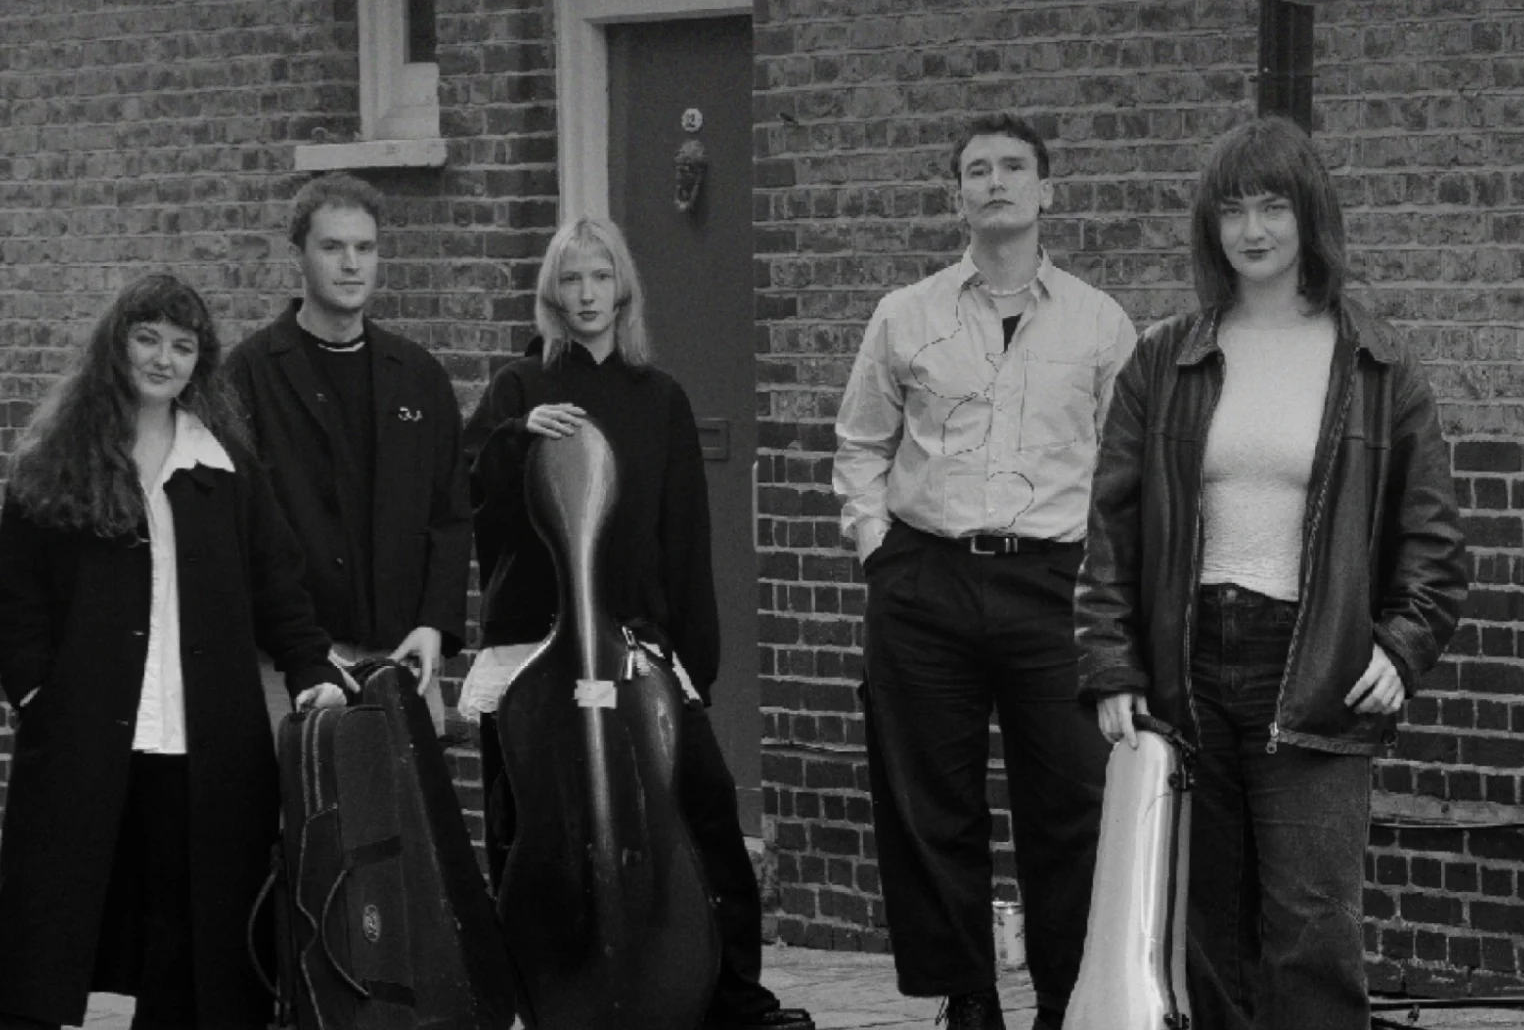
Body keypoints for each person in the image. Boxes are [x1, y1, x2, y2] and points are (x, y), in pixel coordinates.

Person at [1075, 117, 1468, 1030]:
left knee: (1312, 931)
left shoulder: (1376, 362)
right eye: (1233, 209)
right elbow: (1112, 524)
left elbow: (1435, 538)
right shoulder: (1163, 358)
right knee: (1204, 930)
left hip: (1318, 666)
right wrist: (1110, 665)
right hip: (1188, 667)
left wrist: (1405, 647)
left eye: (1273, 206)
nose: (1253, 229)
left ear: (1310, 217)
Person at [460, 218, 815, 1030]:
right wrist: (519, 442)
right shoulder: (520, 388)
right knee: (530, 826)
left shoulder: (661, 398)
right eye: (571, 280)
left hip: (640, 645)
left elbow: (683, 532)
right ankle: (539, 994)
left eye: (601, 278)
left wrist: (694, 660)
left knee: (707, 809)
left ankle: (732, 998)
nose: (587, 295)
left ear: (623, 289)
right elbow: (472, 497)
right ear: (553, 292)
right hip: (539, 649)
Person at [833, 112, 1138, 1030]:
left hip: (1053, 587)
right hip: (926, 580)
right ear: (956, 193)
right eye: (978, 170)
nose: (995, 182)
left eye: (1014, 168)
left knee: (1070, 804)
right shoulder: (906, 314)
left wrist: (1106, 583)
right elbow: (860, 441)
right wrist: (877, 545)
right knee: (931, 803)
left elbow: (1125, 472)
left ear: (1047, 191)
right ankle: (966, 999)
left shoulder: (1100, 323)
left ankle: (1061, 998)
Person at [0, 275, 350, 1030]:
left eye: (183, 346)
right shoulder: (55, 461)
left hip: (205, 745)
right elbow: (14, 598)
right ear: (116, 345)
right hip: (86, 740)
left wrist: (311, 666)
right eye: (148, 338)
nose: (164, 358)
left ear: (201, 362)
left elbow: (277, 588)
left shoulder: (226, 470)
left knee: (196, 953)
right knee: (66, 937)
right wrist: (36, 694)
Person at [224, 173, 469, 733]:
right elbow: (236, 531)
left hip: (405, 658)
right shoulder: (249, 375)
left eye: (365, 248)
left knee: (411, 819)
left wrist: (434, 624)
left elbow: (450, 513)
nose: (351, 263)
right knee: (298, 817)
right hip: (290, 666)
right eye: (332, 247)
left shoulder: (418, 376)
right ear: (299, 256)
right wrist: (297, 645)